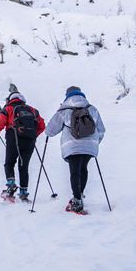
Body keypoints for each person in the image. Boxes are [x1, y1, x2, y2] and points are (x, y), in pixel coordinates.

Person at [45, 85, 105, 214]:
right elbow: (101, 130)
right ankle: (79, 194)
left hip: (71, 146)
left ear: (67, 96)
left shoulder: (64, 110)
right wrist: (94, 143)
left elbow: (50, 131)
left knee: (75, 172)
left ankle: (77, 200)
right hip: (90, 147)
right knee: (83, 169)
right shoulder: (92, 109)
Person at [0, 88, 45, 202]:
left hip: (14, 137)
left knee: (9, 163)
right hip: (29, 140)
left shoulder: (8, 109)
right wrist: (32, 135)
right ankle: (23, 192)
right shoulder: (33, 110)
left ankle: (11, 185)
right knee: (24, 166)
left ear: (10, 99)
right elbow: (42, 126)